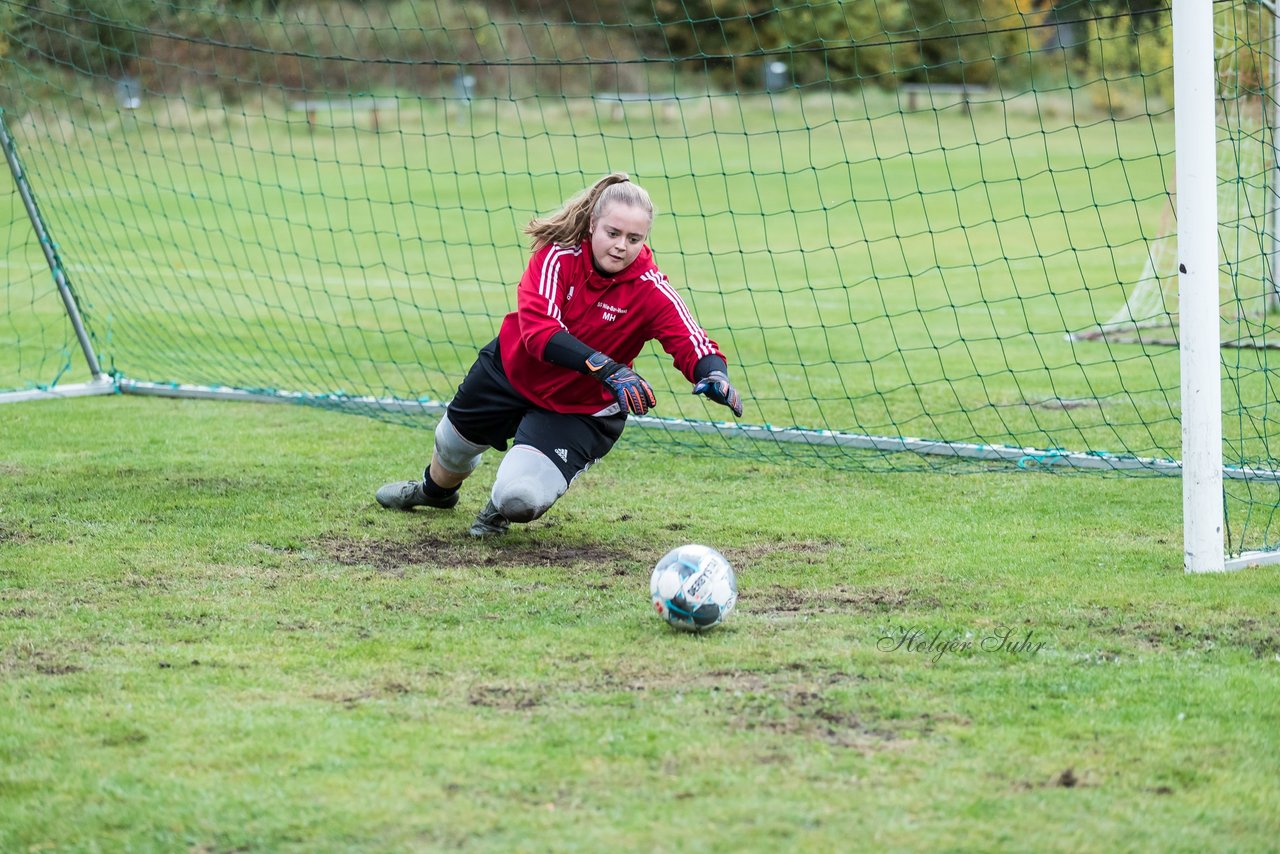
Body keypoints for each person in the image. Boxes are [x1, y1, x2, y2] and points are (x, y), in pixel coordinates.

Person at [376, 172, 744, 536]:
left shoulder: (649, 288)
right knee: (451, 447)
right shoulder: (557, 256)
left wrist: (712, 374)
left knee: (518, 498)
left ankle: (498, 507)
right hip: (512, 372)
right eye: (612, 233)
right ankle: (435, 493)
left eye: (634, 238)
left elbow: (691, 339)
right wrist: (608, 369)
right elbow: (540, 334)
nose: (621, 246)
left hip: (579, 408)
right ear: (592, 226)